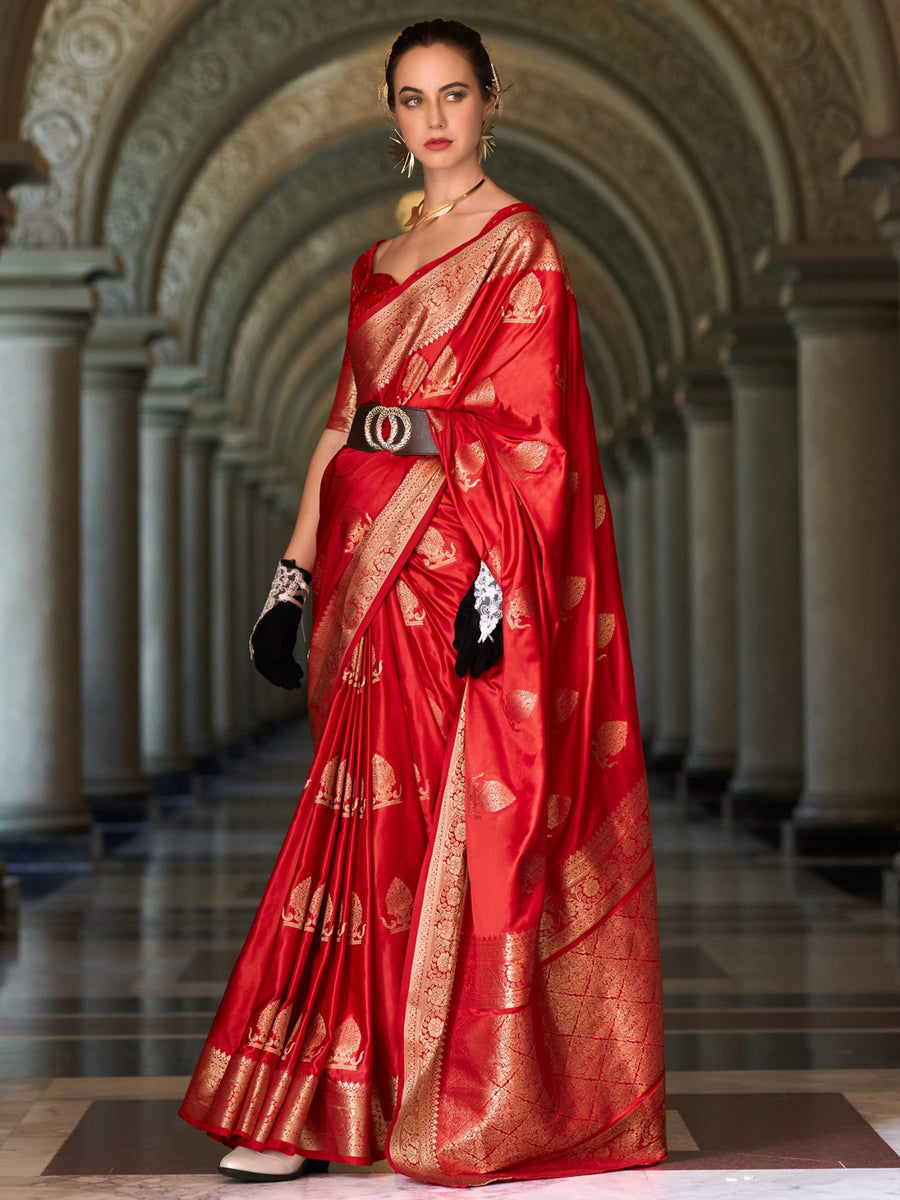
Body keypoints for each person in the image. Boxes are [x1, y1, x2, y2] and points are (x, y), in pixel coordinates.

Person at [179, 18, 666, 1187]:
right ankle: (311, 1100)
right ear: (390, 114)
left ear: (493, 102)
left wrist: (494, 584)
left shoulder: (521, 248)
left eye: (455, 94)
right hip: (360, 565)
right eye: (412, 97)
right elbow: (342, 424)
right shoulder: (377, 266)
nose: (435, 117)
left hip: (457, 567)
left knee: (433, 828)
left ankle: (430, 1097)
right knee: (349, 820)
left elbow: (533, 439)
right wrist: (292, 579)